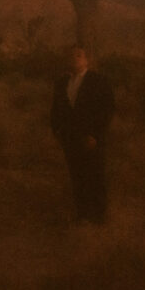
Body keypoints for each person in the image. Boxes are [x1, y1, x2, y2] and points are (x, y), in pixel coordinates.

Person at [50, 44, 114, 224]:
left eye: (79, 55)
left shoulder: (98, 80)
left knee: (95, 174)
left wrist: (95, 135)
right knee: (77, 175)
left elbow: (106, 109)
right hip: (70, 137)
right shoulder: (62, 82)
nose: (75, 58)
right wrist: (57, 131)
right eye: (71, 56)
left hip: (91, 137)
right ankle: (83, 214)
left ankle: (100, 216)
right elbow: (57, 109)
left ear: (87, 60)